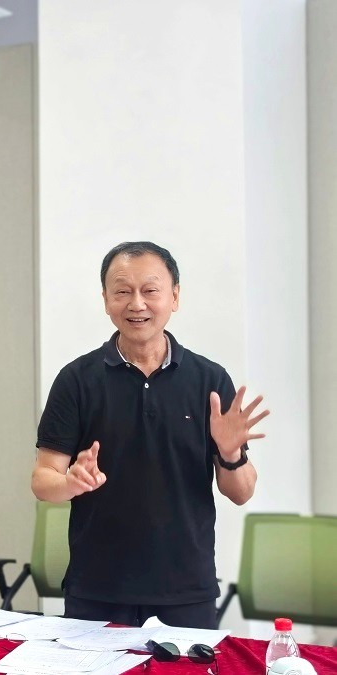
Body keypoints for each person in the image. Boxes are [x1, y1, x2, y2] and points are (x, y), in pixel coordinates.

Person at [31, 241, 268, 629]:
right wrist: (71, 483)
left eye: (150, 290)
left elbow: (241, 492)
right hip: (97, 590)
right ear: (106, 300)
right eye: (122, 291)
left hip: (186, 591)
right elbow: (43, 481)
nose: (136, 304)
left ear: (175, 296)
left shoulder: (209, 381)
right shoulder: (76, 380)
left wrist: (230, 453)